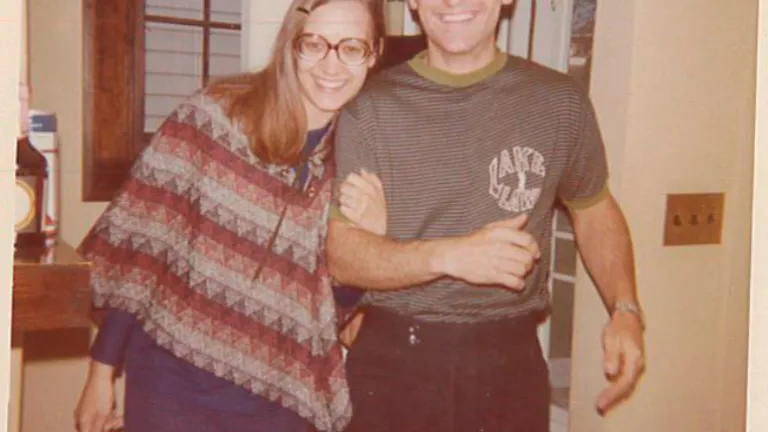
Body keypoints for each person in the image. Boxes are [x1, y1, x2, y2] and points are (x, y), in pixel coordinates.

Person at [327, 0, 646, 430]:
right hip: (393, 362)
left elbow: (593, 209)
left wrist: (625, 310)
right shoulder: (369, 109)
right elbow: (343, 255)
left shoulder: (558, 102)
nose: (452, 3)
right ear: (413, 2)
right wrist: (451, 256)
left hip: (509, 363)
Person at [73, 1, 385, 431]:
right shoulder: (214, 117)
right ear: (290, 46)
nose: (331, 65)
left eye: (352, 47)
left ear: (374, 54)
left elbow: (330, 309)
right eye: (314, 44)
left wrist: (371, 243)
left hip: (282, 392)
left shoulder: (362, 155)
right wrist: (101, 373)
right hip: (172, 377)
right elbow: (139, 243)